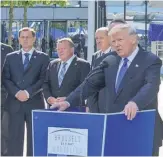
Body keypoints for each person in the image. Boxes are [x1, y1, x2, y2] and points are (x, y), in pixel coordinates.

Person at [50, 24, 163, 156]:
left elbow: (151, 85)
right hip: (115, 129)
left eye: (120, 40)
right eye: (113, 41)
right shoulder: (109, 60)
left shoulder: (150, 60)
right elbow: (89, 84)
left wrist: (135, 103)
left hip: (142, 128)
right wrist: (68, 101)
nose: (116, 45)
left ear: (134, 39)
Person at [2, 27, 50, 156]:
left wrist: (28, 93)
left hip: (34, 102)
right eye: (22, 37)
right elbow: (5, 78)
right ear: (18, 39)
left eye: (28, 37)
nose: (25, 40)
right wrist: (17, 93)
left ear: (34, 38)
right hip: (14, 103)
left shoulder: (43, 57)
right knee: (14, 139)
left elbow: (43, 79)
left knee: (34, 138)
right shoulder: (10, 57)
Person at [43, 38, 90, 108]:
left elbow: (85, 87)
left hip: (73, 108)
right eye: (58, 49)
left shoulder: (83, 65)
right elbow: (45, 83)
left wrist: (68, 99)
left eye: (63, 49)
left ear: (72, 49)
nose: (60, 51)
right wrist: (49, 98)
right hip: (53, 107)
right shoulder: (52, 64)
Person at [87, 27, 111, 113]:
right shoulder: (95, 56)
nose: (98, 41)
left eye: (101, 38)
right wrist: (89, 105)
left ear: (109, 38)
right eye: (96, 38)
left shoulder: (117, 55)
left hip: (111, 103)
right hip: (96, 103)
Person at [1, 42, 13, 156]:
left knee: (4, 128)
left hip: (3, 95)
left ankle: (4, 152)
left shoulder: (6, 49)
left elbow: (11, 72)